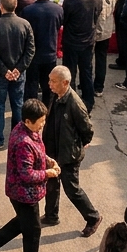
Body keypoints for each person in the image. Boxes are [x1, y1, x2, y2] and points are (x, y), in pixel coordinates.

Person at [0, 98, 60, 252]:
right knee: (33, 230)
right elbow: (27, 174)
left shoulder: (25, 129)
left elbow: (37, 151)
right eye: (40, 122)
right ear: (27, 121)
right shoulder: (23, 141)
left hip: (22, 191)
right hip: (24, 193)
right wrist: (48, 173)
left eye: (43, 120)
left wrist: (47, 159)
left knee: (24, 221)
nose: (43, 125)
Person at [41, 66, 101, 235]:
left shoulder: (75, 103)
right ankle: (51, 215)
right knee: (52, 184)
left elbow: (87, 129)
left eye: (53, 81)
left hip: (68, 155)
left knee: (72, 189)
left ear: (65, 83)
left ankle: (93, 217)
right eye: (49, 80)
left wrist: (82, 143)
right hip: (53, 150)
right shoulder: (57, 95)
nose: (49, 84)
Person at [0, 0, 35, 149]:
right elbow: (30, 50)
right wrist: (18, 69)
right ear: (15, 6)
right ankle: (18, 137)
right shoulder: (25, 24)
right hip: (18, 74)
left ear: (1, 6)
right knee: (18, 105)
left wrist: (4, 70)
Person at [24, 0, 63, 103]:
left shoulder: (28, 11)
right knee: (49, 86)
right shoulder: (58, 10)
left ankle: (32, 111)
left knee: (31, 85)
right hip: (50, 54)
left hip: (33, 55)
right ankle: (47, 112)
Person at [90, 0, 118, 97]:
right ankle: (99, 87)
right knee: (101, 58)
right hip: (106, 27)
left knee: (88, 58)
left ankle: (87, 82)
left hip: (93, 29)